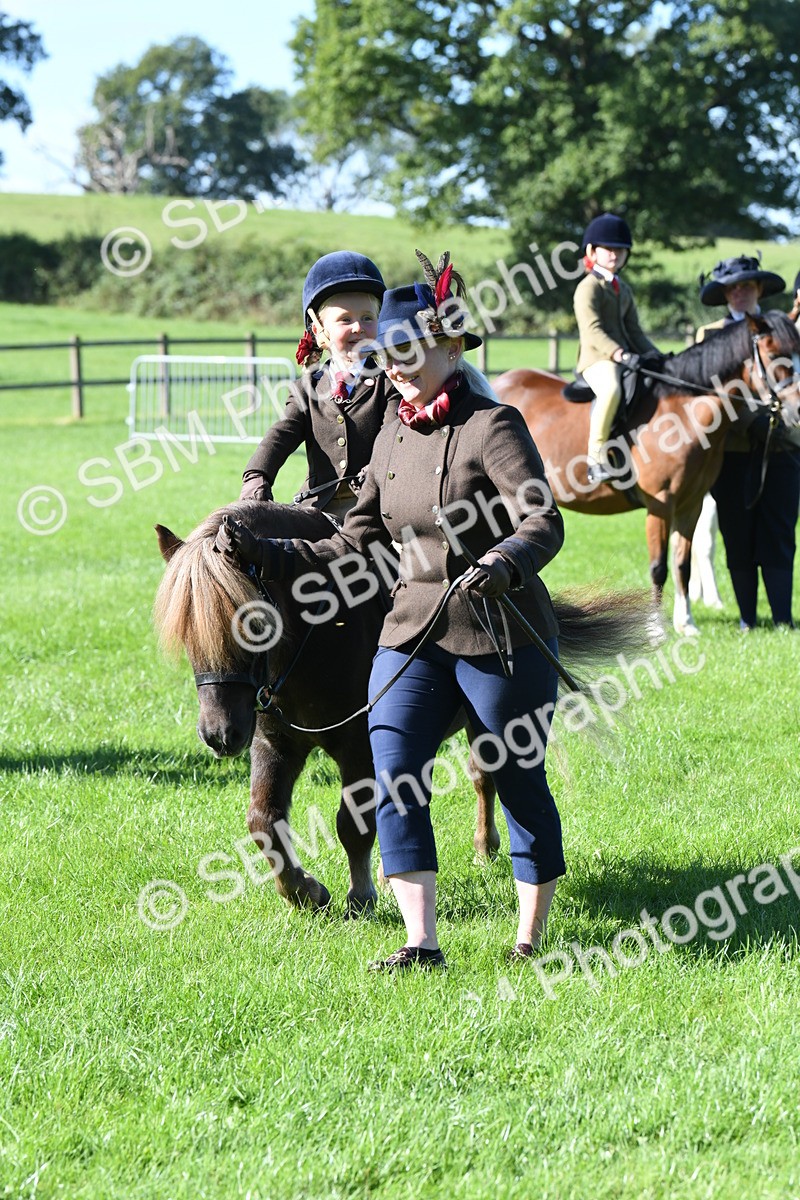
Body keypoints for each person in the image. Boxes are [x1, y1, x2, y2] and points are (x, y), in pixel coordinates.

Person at [217, 250, 567, 971]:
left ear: (448, 347)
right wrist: (277, 557)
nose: (394, 364)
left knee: (518, 780)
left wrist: (504, 562)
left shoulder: (493, 425)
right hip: (409, 632)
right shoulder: (396, 432)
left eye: (406, 350)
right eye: (388, 353)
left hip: (496, 632)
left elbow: (543, 522)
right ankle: (420, 942)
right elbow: (359, 533)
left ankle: (529, 939)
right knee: (396, 769)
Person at [239, 250, 397, 524]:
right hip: (316, 509)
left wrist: (374, 471)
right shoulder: (306, 388)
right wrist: (257, 475)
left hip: (376, 507)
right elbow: (280, 435)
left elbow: (392, 438)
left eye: (368, 318)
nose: (358, 327)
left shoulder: (390, 383)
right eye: (345, 320)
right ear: (319, 331)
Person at [696, 254, 798, 630]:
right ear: (724, 294)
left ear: (759, 288)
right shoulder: (709, 336)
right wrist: (748, 422)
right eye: (731, 287)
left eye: (746, 285)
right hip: (734, 452)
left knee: (780, 531)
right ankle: (746, 619)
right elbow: (710, 391)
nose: (739, 293)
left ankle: (784, 620)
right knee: (737, 534)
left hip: (784, 447)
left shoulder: (783, 326)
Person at [573, 212, 661, 485]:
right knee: (611, 389)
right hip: (597, 360)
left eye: (620, 250)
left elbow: (634, 330)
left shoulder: (623, 288)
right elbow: (593, 330)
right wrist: (618, 353)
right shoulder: (588, 288)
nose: (615, 254)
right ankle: (595, 457)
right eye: (608, 249)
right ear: (592, 251)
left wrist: (656, 355)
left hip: (625, 357)